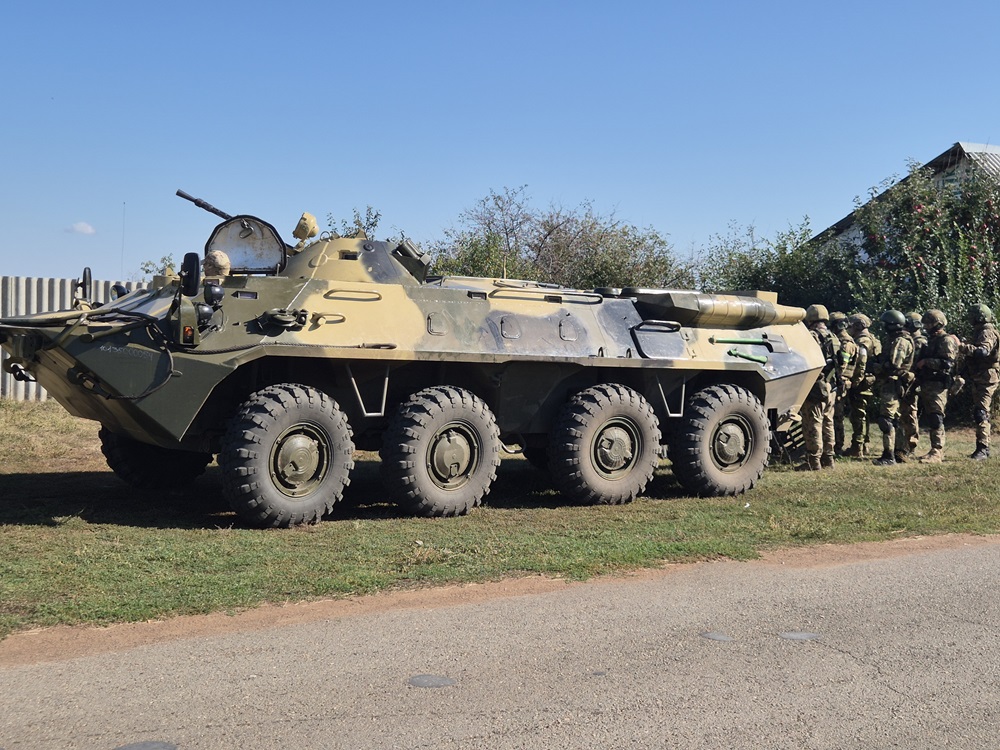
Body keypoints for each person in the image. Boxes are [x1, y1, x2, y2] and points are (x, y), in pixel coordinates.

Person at [913, 309, 959, 463]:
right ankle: (934, 449)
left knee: (936, 417)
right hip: (928, 383)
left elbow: (947, 363)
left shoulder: (946, 340)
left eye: (929, 324)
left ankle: (937, 451)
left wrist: (926, 362)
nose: (926, 327)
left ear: (937, 324)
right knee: (931, 417)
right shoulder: (932, 340)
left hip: (938, 385)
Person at [797, 304, 840, 470]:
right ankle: (829, 459)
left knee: (813, 422)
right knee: (828, 422)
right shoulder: (834, 337)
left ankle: (813, 461)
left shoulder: (811, 336)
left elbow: (805, 360)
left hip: (816, 384)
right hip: (831, 384)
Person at [872, 310, 915, 466]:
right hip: (893, 383)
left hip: (894, 383)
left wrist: (876, 366)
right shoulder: (895, 339)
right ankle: (898, 452)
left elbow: (894, 365)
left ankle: (889, 456)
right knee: (895, 419)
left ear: (892, 325)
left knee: (886, 419)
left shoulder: (900, 341)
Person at [960, 303, 1000, 460]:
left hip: (987, 377)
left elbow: (983, 352)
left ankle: (983, 449)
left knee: (981, 411)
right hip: (980, 375)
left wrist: (962, 347)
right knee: (980, 410)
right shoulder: (980, 331)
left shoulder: (986, 332)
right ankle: (983, 447)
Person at [844, 313, 881, 458]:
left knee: (858, 414)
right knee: (863, 413)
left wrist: (856, 381)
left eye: (851, 326)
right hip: (869, 379)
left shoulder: (862, 341)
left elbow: (862, 362)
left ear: (858, 326)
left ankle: (857, 447)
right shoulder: (873, 339)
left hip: (862, 381)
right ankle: (863, 445)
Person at [829, 312, 859, 456]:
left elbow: (842, 366)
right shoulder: (840, 340)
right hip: (839, 382)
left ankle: (838, 446)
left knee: (837, 416)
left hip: (841, 383)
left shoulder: (846, 343)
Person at [899, 312, 928, 458]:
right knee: (904, 413)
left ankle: (910, 445)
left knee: (910, 413)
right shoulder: (910, 340)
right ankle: (903, 445)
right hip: (906, 381)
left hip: (912, 382)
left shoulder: (919, 342)